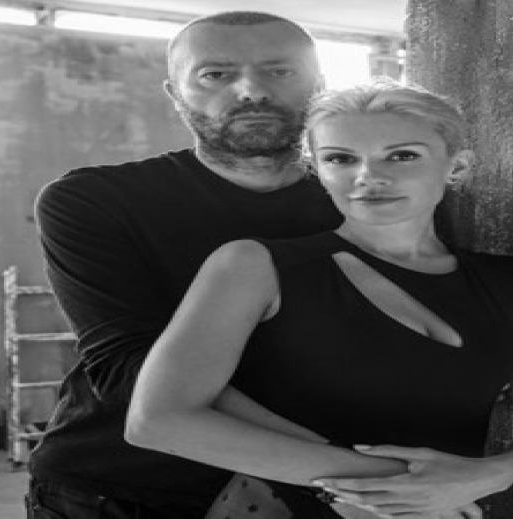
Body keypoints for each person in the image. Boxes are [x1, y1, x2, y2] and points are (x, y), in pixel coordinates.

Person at [124, 81, 513, 519]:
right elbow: (159, 421)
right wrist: (396, 486)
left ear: (456, 166)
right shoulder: (254, 265)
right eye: (341, 158)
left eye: (402, 155)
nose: (368, 177)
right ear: (318, 170)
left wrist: (493, 474)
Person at [27, 11, 345, 519]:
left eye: (279, 70)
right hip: (124, 489)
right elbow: (128, 369)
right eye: (215, 74)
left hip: (316, 488)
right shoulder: (95, 200)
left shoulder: (368, 203)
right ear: (175, 94)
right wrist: (343, 470)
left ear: (320, 85)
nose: (251, 91)